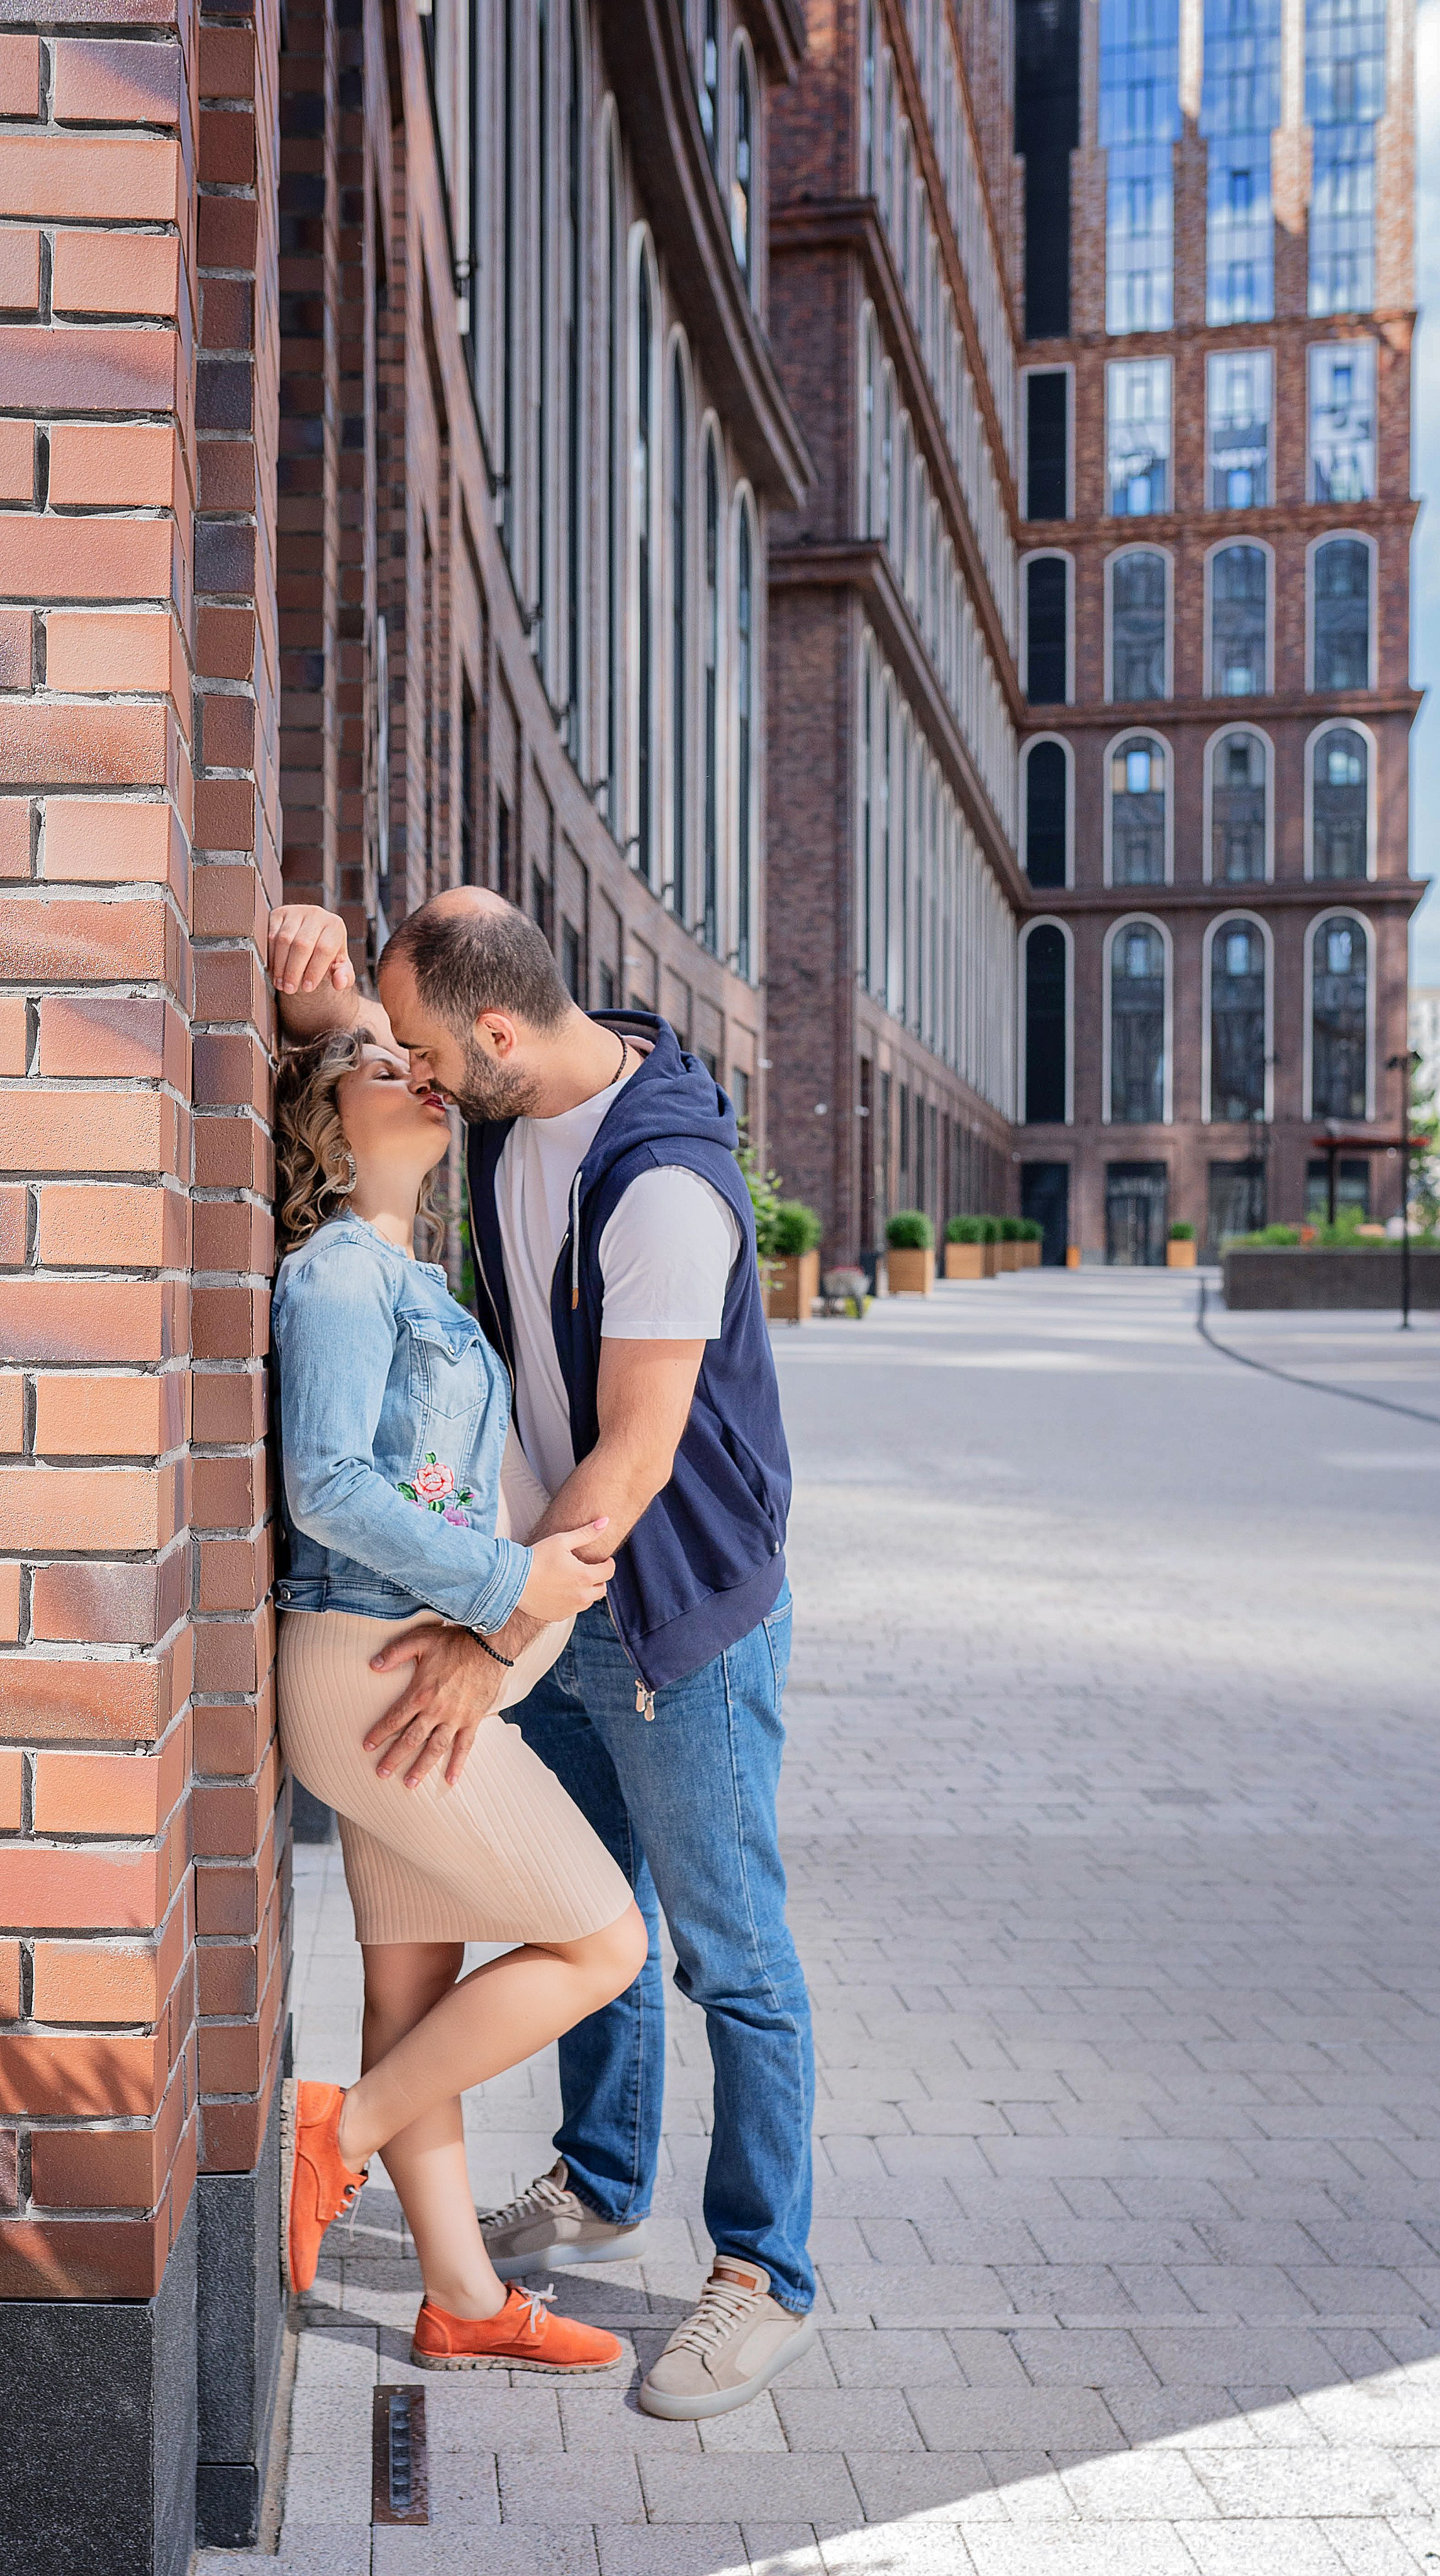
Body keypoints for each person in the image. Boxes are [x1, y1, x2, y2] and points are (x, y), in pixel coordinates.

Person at [269, 889, 817, 2420]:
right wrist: (310, 960)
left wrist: (496, 1625)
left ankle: (763, 2271)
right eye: (404, 1061)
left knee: (723, 1947)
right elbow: (367, 1049)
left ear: (496, 1038)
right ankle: (591, 2185)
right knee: (597, 1914)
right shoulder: (499, 1104)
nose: (419, 1075)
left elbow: (635, 1456)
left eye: (434, 1055)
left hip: (665, 1606)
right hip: (515, 1596)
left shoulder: (661, 1190)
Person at [271, 1018, 650, 2374]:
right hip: (374, 1671)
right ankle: (340, 2133)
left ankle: (460, 2297)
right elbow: (326, 1485)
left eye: (414, 1055)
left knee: (411, 1991)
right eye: (377, 1064)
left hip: (403, 1668)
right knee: (604, 1943)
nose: (415, 1072)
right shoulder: (333, 1274)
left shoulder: (406, 1271)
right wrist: (508, 1579)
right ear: (325, 1124)